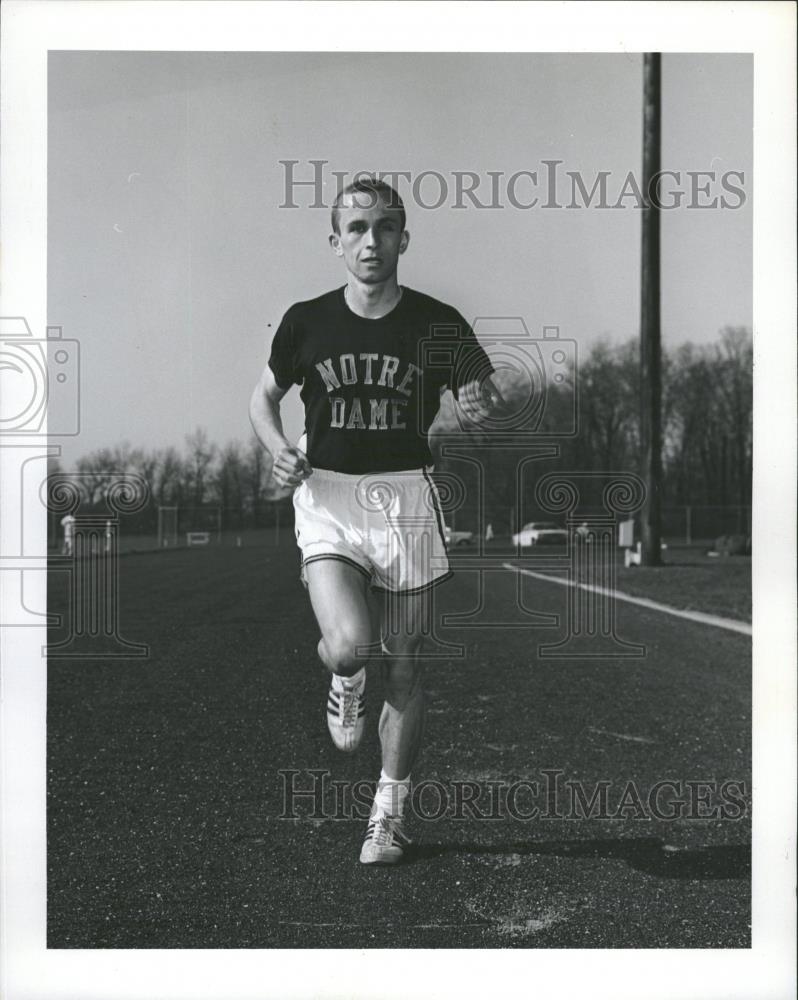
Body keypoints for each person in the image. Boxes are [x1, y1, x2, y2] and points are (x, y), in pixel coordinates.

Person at [249, 178, 503, 864]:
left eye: (384, 228)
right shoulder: (306, 320)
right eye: (356, 228)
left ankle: (386, 817)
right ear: (336, 242)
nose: (371, 241)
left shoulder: (438, 322)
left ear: (403, 239)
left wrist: (480, 402)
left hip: (407, 501)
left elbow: (482, 392)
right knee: (353, 646)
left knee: (408, 668)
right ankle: (344, 677)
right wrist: (278, 453)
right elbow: (261, 398)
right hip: (328, 496)